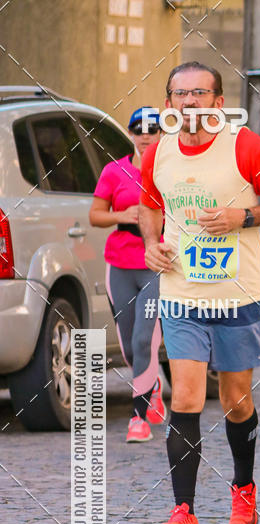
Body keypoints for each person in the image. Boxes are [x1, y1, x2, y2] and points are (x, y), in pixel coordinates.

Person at [139, 62, 260, 524]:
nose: (189, 102)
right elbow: (149, 206)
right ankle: (183, 514)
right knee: (185, 397)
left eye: (199, 93)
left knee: (235, 401)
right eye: (180, 94)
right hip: (181, 293)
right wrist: (151, 243)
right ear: (168, 104)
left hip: (236, 294)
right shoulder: (159, 151)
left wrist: (242, 215)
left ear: (219, 102)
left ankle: (244, 488)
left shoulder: (243, 145)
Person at [89, 106, 164, 442]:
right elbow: (95, 215)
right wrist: (124, 213)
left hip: (155, 265)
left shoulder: (169, 171)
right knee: (129, 347)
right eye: (139, 129)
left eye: (153, 128)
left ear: (163, 133)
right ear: (132, 134)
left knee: (143, 338)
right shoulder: (114, 171)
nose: (145, 135)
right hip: (119, 264)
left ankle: (138, 420)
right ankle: (153, 385)